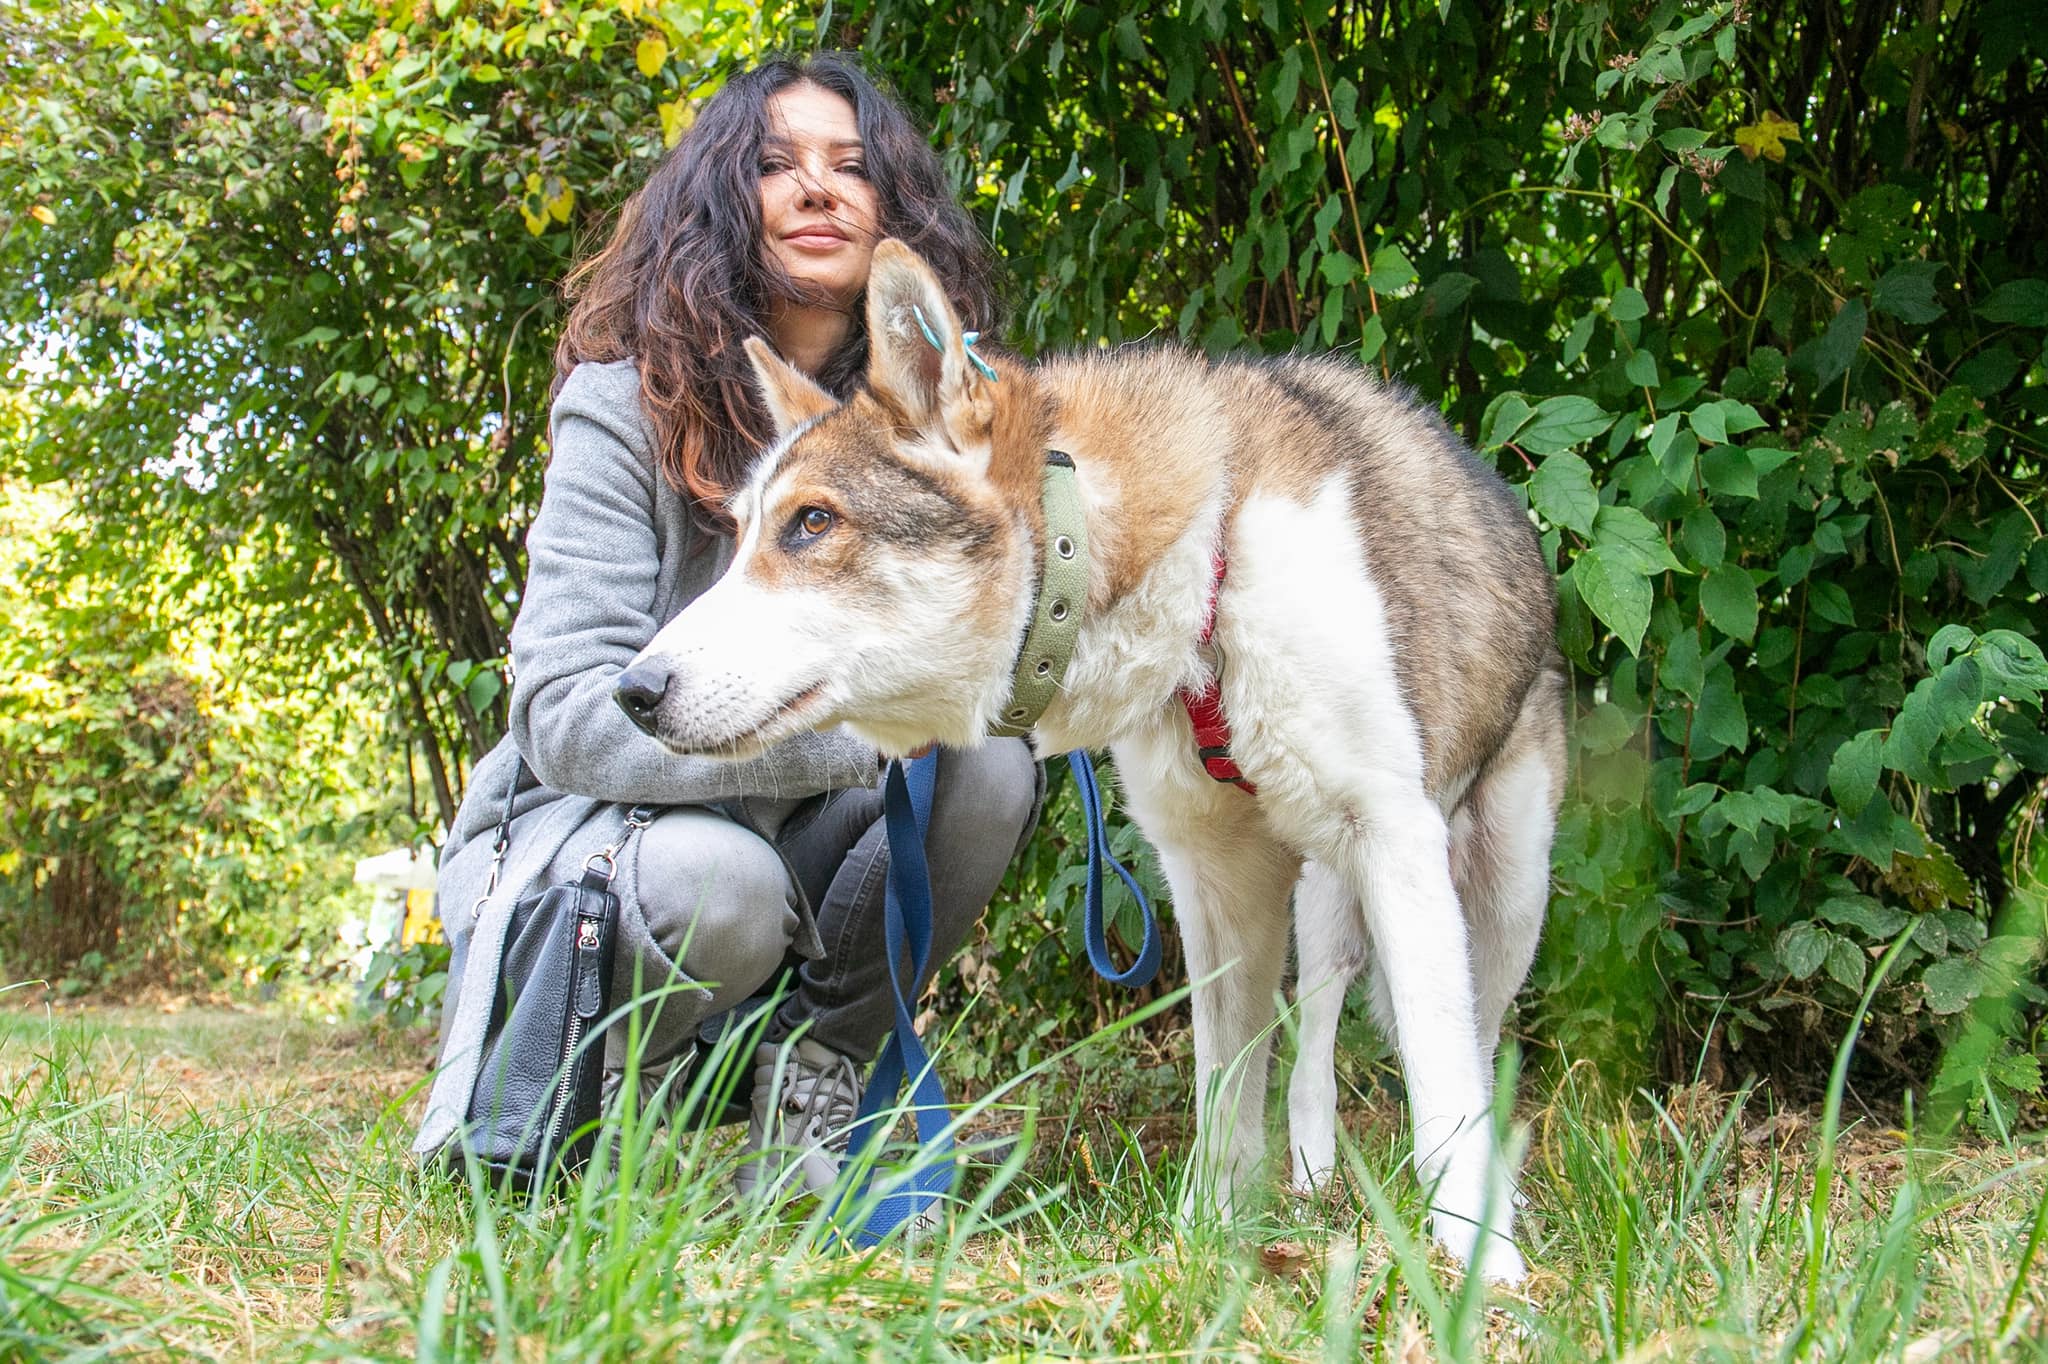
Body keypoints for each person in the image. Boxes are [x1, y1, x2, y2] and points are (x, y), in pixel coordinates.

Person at [414, 53, 1041, 1201]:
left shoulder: (919, 429)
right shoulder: (621, 400)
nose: (818, 188)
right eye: (775, 163)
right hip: (587, 846)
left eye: (852, 167)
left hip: (793, 831)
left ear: (891, 217)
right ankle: (599, 1093)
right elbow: (561, 712)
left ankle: (817, 1078)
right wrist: (859, 740)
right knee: (724, 878)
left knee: (989, 764)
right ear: (719, 199)